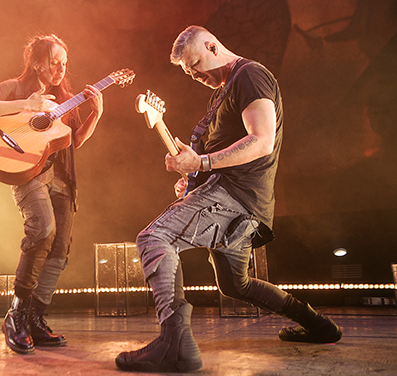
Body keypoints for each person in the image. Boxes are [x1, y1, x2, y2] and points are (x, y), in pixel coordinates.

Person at [115, 25, 342, 373]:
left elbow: (262, 140)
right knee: (236, 285)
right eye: (189, 73)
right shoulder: (220, 95)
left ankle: (174, 344)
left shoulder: (249, 75)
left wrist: (203, 162)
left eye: (197, 65)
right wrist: (192, 177)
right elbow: (214, 161)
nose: (195, 76)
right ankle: (316, 324)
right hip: (238, 203)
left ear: (212, 45)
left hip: (235, 199)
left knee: (154, 237)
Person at [0, 34, 103, 354]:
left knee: (59, 250)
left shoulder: (65, 99)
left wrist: (95, 114)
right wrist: (26, 105)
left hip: (63, 181)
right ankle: (15, 315)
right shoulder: (14, 88)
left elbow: (72, 142)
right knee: (42, 231)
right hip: (30, 175)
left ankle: (35, 318)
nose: (61, 68)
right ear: (36, 62)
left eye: (65, 63)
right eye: (54, 61)